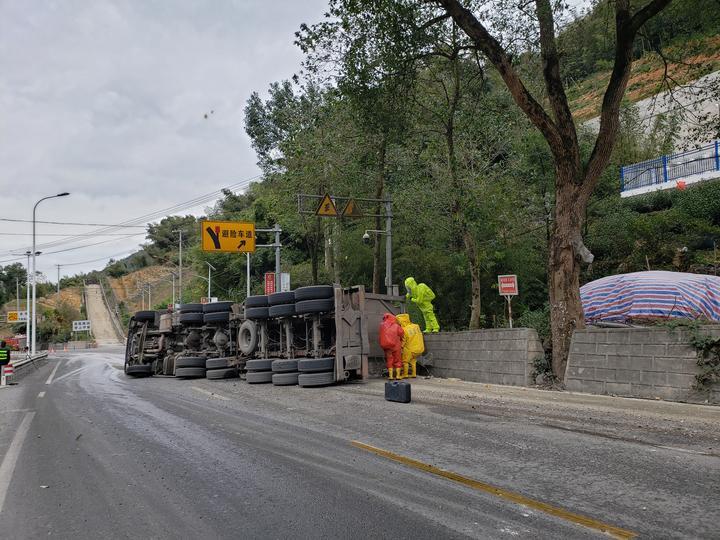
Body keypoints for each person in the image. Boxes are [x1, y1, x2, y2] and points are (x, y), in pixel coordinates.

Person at [396, 313, 424, 379]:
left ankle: (405, 374)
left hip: (410, 349)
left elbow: (404, 341)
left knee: (405, 361)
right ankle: (414, 374)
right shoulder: (416, 326)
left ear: (402, 321)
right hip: (420, 348)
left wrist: (401, 347)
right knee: (413, 361)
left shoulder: (404, 329)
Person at [379, 313, 404, 380]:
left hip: (387, 347)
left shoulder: (382, 325)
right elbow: (402, 333)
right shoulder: (396, 326)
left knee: (389, 360)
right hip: (396, 346)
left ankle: (390, 376)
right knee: (398, 360)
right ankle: (398, 376)